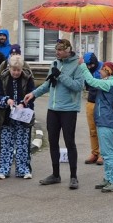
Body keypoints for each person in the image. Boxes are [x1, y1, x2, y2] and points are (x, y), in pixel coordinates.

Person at [24, 39, 85, 189]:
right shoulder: (54, 63)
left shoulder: (78, 64)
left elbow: (78, 86)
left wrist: (61, 76)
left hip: (69, 109)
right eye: (56, 49)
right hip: (53, 108)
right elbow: (48, 84)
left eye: (60, 50)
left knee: (69, 142)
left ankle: (73, 177)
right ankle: (55, 174)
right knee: (53, 141)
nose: (57, 52)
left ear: (68, 50)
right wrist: (33, 93)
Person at [79, 61, 113, 192]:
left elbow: (91, 81)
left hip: (106, 122)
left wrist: (83, 66)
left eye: (102, 70)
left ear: (108, 71)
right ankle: (108, 178)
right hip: (104, 120)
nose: (99, 71)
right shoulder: (112, 82)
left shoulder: (108, 83)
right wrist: (109, 103)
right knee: (105, 153)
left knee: (108, 154)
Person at [0, 54, 35, 179]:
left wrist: (23, 103)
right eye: (14, 70)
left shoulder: (28, 78)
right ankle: (3, 170)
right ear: (9, 68)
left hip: (23, 117)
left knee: (23, 145)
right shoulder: (2, 79)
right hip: (6, 117)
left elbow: (32, 94)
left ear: (22, 68)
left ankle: (23, 170)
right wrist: (6, 100)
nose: (16, 72)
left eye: (18, 70)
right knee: (5, 145)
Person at [82, 52, 104, 166]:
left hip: (102, 103)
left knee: (102, 130)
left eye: (91, 65)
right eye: (88, 65)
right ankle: (95, 153)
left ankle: (103, 154)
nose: (90, 67)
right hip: (91, 101)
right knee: (92, 130)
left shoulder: (104, 67)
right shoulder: (85, 69)